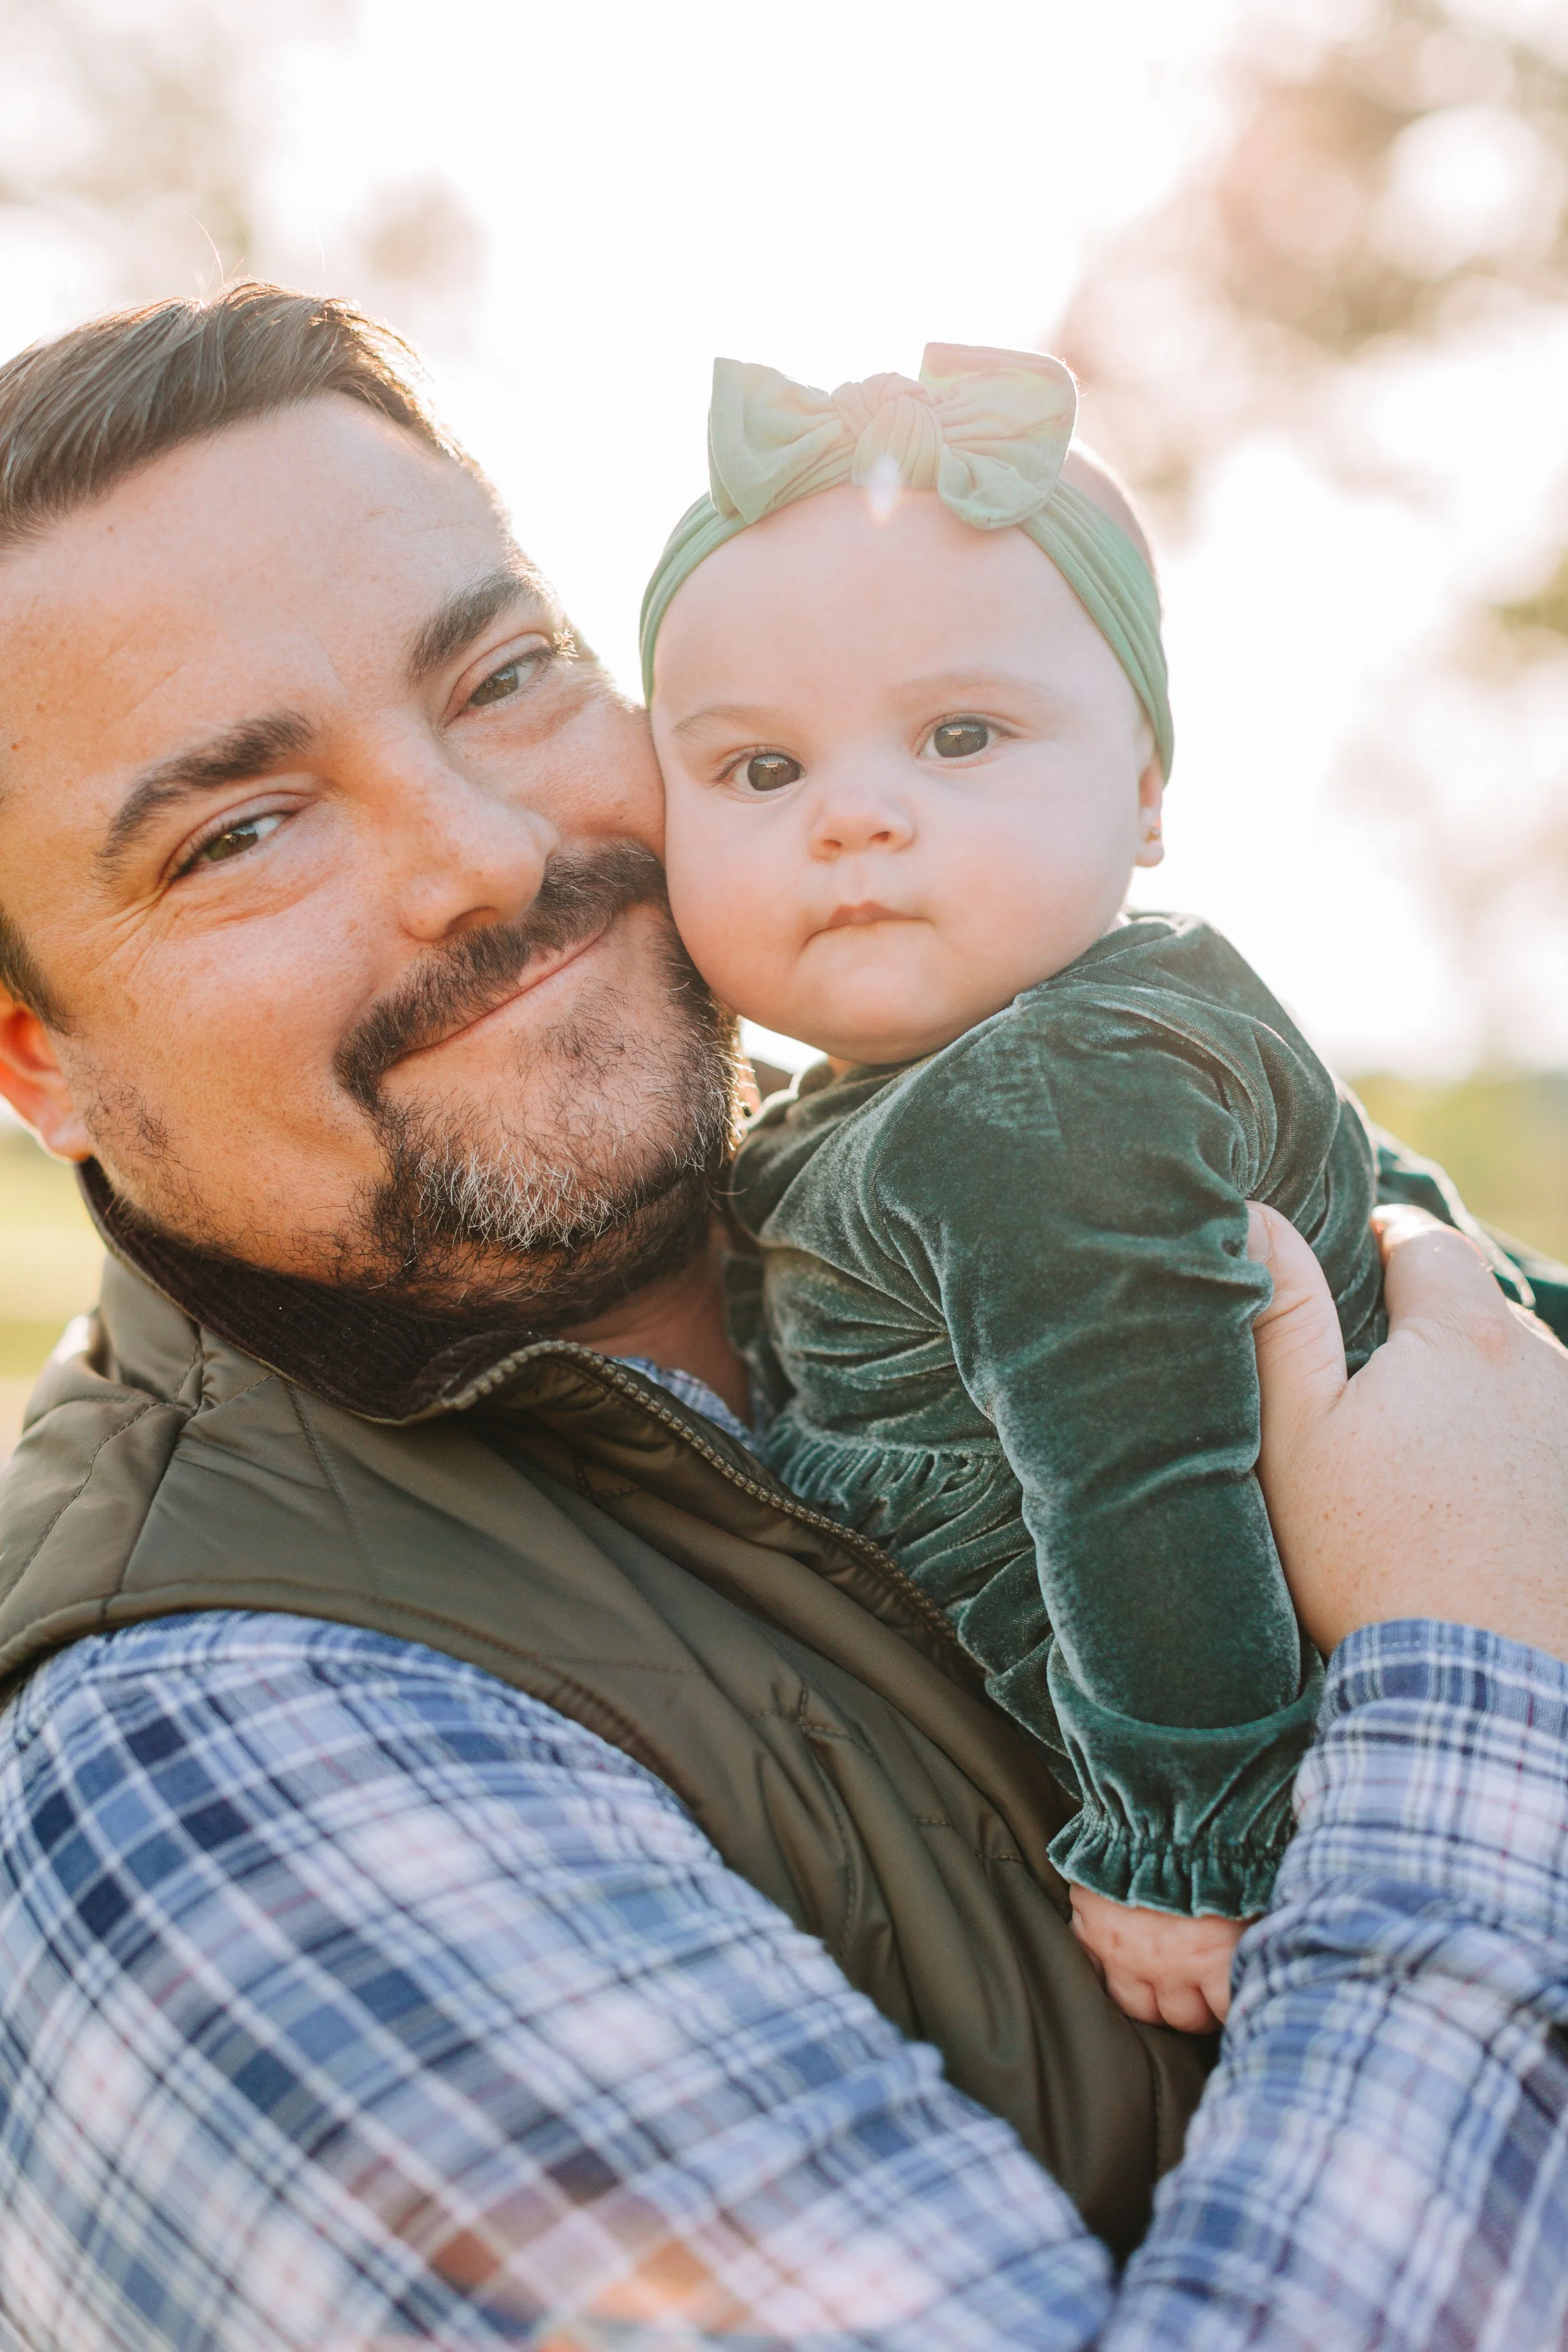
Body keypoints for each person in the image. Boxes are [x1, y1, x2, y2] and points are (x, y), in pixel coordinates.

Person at [0, 285, 1564, 2346]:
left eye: (503, 674)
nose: (482, 854)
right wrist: (1478, 1680)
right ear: (34, 1059)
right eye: (241, 830)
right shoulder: (195, 1759)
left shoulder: (957, 1167)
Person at [644, 342, 1567, 2033]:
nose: (853, 813)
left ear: (1143, 790)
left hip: (1308, 1776)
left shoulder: (1043, 1096)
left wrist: (1181, 1834)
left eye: (958, 734)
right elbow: (1393, 1185)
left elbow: (1142, 1480)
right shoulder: (961, 1074)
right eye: (758, 771)